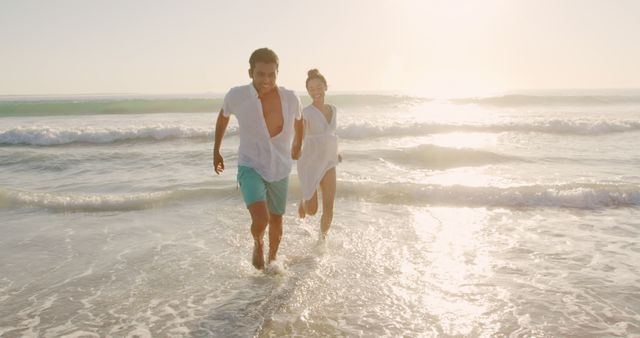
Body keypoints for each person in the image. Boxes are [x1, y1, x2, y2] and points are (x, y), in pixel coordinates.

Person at [213, 48, 303, 270]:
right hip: (250, 164)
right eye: (261, 74)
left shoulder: (291, 98)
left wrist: (298, 142)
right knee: (261, 219)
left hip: (280, 166)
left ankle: (273, 262)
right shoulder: (237, 95)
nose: (267, 80)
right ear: (250, 72)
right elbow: (223, 117)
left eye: (272, 74)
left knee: (277, 220)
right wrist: (216, 150)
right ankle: (257, 242)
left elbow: (300, 121)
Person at [297, 69, 340, 241]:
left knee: (329, 207)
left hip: (329, 161)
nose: (316, 91)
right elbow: (298, 137)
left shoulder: (334, 109)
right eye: (311, 88)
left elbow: (330, 135)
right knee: (312, 210)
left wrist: (337, 152)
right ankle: (304, 201)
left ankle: (321, 241)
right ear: (308, 91)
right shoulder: (305, 113)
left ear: (325, 87)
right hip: (310, 163)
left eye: (319, 87)